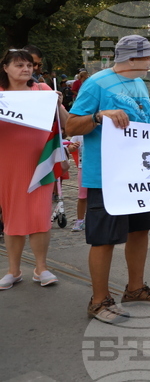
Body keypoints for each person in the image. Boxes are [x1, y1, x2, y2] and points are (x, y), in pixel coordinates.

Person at [66, 35, 150, 324]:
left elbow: (141, 123)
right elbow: (70, 125)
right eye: (148, 58)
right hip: (107, 175)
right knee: (104, 238)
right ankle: (99, 300)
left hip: (140, 173)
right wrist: (99, 116)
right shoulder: (97, 83)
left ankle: (135, 289)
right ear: (132, 59)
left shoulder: (138, 84)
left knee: (140, 230)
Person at [0, 48, 68, 290]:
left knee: (40, 215)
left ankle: (41, 268)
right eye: (19, 65)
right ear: (5, 68)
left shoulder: (42, 90)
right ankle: (13, 270)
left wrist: (58, 104)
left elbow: (66, 124)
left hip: (41, 160)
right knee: (12, 216)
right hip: (8, 163)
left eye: (29, 65)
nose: (26, 69)